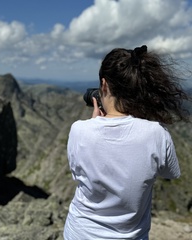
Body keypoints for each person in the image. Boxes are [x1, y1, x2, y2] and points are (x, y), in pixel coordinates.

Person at [63, 45, 191, 240]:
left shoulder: (78, 130)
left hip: (80, 233)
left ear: (104, 85)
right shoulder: (157, 133)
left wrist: (93, 124)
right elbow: (171, 173)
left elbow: (77, 172)